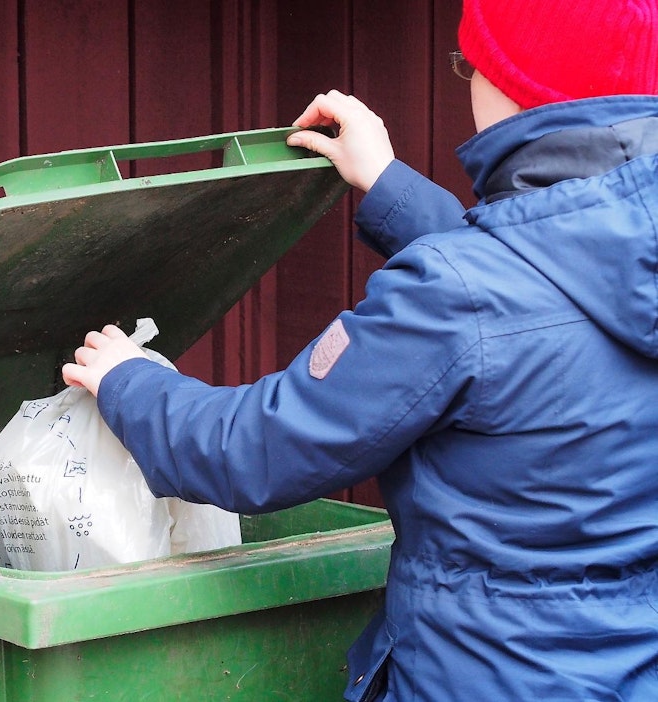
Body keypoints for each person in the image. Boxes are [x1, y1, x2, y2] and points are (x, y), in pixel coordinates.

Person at [63, 0, 658, 699]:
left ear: (514, 86)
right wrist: (389, 184)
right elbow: (542, 286)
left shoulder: (454, 298)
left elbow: (254, 449)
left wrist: (129, 381)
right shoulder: (617, 261)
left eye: (469, 64)